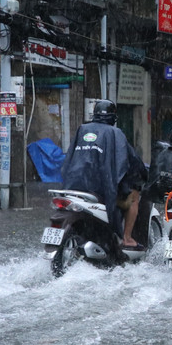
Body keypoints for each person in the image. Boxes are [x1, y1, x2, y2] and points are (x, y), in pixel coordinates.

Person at [60, 100, 148, 249]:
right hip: (101, 189)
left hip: (74, 187)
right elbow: (131, 159)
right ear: (113, 117)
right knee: (134, 198)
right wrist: (144, 173)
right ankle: (126, 238)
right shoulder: (115, 133)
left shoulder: (82, 129)